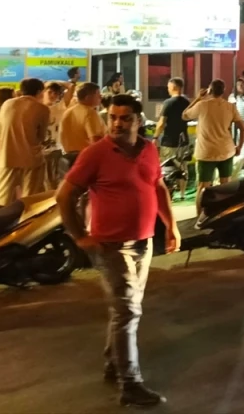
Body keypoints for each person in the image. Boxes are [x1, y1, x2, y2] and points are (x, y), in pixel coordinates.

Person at [56, 94, 180, 408]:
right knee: (128, 311)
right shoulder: (96, 153)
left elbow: (158, 187)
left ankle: (115, 362)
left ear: (139, 121)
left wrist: (171, 225)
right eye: (112, 117)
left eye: (125, 118)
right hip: (110, 246)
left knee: (124, 309)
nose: (117, 123)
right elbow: (65, 196)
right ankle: (130, 384)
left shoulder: (149, 149)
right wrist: (80, 237)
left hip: (143, 242)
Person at [181, 79, 244, 216]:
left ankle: (199, 217)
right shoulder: (230, 107)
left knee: (203, 187)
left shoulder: (202, 105)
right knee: (225, 185)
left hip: (206, 152)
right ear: (223, 91)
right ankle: (223, 215)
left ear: (209, 90)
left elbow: (184, 115)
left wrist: (198, 98)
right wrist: (239, 146)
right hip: (226, 151)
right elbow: (243, 128)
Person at [0, 78, 50, 206]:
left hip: (7, 156)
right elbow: (41, 137)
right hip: (31, 158)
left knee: (2, 198)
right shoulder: (42, 109)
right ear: (39, 92)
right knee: (31, 198)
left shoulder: (7, 104)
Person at [153, 78, 190, 200]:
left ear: (174, 87)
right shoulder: (187, 102)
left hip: (169, 141)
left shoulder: (168, 103)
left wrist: (155, 137)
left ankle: (169, 195)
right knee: (183, 167)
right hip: (184, 140)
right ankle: (183, 194)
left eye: (168, 87)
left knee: (168, 168)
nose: (167, 90)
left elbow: (162, 122)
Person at [60, 83, 105, 170]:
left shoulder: (68, 112)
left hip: (68, 158)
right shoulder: (90, 113)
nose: (101, 96)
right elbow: (95, 140)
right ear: (87, 97)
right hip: (86, 160)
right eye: (98, 94)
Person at [43, 82, 67, 188]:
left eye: (56, 93)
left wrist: (59, 82)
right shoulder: (36, 108)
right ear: (43, 92)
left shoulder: (59, 108)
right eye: (50, 92)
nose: (53, 95)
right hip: (38, 153)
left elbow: (70, 87)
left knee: (53, 183)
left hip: (54, 150)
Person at [228, 79, 244, 169]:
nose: (242, 87)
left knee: (243, 143)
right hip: (236, 125)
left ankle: (243, 162)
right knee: (243, 143)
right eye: (239, 85)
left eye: (243, 85)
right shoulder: (233, 97)